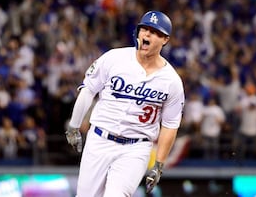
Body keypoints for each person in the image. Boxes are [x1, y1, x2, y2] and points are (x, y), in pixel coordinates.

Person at [65, 10, 185, 197]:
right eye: (144, 29)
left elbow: (170, 125)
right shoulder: (114, 58)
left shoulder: (172, 81)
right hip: (99, 140)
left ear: (165, 40)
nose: (146, 34)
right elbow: (88, 90)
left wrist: (159, 164)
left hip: (136, 148)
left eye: (154, 32)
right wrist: (74, 125)